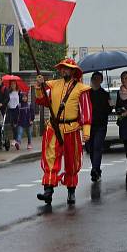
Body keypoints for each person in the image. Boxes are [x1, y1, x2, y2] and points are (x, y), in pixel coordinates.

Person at [34, 58, 91, 206]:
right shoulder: (53, 85)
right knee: (50, 158)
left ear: (73, 71)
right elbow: (42, 101)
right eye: (62, 68)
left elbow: (85, 111)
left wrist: (86, 131)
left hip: (72, 129)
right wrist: (39, 86)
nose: (63, 70)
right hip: (54, 128)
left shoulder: (81, 89)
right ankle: (48, 191)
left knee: (72, 161)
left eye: (66, 68)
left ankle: (71, 191)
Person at [86, 71, 112, 183]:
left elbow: (109, 110)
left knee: (97, 146)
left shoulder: (105, 94)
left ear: (101, 80)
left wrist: (110, 105)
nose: (95, 81)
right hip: (89, 125)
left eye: (98, 79)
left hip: (101, 125)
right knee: (90, 148)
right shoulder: (87, 94)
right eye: (94, 79)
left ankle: (95, 169)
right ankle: (96, 168)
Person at [6, 80, 21, 150]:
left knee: (16, 125)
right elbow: (7, 100)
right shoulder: (8, 92)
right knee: (12, 125)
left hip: (16, 109)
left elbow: (21, 100)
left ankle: (15, 140)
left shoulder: (19, 92)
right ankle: (16, 139)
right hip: (10, 109)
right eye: (11, 84)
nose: (13, 85)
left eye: (14, 84)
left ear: (16, 85)